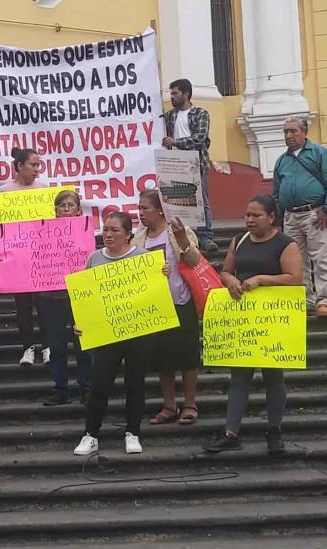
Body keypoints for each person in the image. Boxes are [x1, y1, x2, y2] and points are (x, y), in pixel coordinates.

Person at [203, 195, 302, 455]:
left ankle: (274, 430)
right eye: (247, 215)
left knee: (273, 377)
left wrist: (261, 279)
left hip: (272, 318)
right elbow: (225, 271)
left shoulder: (286, 244)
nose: (249, 219)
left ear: (271, 217)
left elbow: (295, 278)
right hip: (244, 318)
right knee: (239, 377)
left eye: (256, 215)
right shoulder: (240, 240)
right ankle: (231, 432)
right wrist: (230, 281)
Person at [73, 212, 162, 456]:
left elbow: (155, 293)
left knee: (135, 383)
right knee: (100, 384)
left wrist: (163, 275)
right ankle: (90, 434)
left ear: (128, 235)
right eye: (106, 230)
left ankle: (132, 432)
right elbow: (86, 297)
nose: (108, 235)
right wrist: (80, 322)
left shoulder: (144, 258)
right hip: (105, 333)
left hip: (139, 331)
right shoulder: (94, 258)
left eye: (114, 230)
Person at [132, 189, 202, 425]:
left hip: (181, 300)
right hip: (155, 306)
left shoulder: (179, 232)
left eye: (145, 208)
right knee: (162, 359)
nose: (140, 213)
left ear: (159, 210)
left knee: (188, 356)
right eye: (139, 208)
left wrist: (182, 239)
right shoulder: (138, 239)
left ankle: (190, 403)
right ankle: (169, 405)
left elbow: (194, 261)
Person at [0, 148, 50, 366]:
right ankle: (27, 347)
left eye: (38, 165)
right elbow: (1, 228)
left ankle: (47, 346)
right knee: (23, 305)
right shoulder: (5, 191)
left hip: (41, 255)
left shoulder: (43, 189)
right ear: (19, 166)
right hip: (18, 258)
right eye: (33, 165)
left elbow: (50, 224)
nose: (37, 170)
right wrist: (0, 254)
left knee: (44, 305)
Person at [36, 190, 92, 406]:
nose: (67, 209)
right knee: (56, 345)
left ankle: (86, 387)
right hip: (51, 296)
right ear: (56, 211)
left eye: (71, 206)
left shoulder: (86, 233)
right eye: (62, 206)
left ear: (79, 210)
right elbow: (32, 257)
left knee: (84, 344)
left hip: (80, 295)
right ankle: (61, 389)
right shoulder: (42, 233)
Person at [272, 116, 327, 316]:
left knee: (321, 257)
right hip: (290, 217)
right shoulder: (281, 161)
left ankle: (324, 300)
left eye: (293, 131)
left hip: (316, 213)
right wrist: (277, 220)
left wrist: (326, 209)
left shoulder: (319, 153)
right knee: (296, 261)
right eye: (286, 131)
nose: (289, 135)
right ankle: (305, 300)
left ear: (305, 133)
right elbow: (276, 192)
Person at [163, 78, 217, 252]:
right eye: (171, 93)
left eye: (175, 93)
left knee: (201, 201)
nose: (172, 97)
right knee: (176, 201)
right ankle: (181, 235)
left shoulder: (201, 113)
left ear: (186, 94)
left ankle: (206, 236)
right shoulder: (170, 115)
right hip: (175, 165)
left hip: (195, 162)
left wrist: (176, 142)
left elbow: (200, 137)